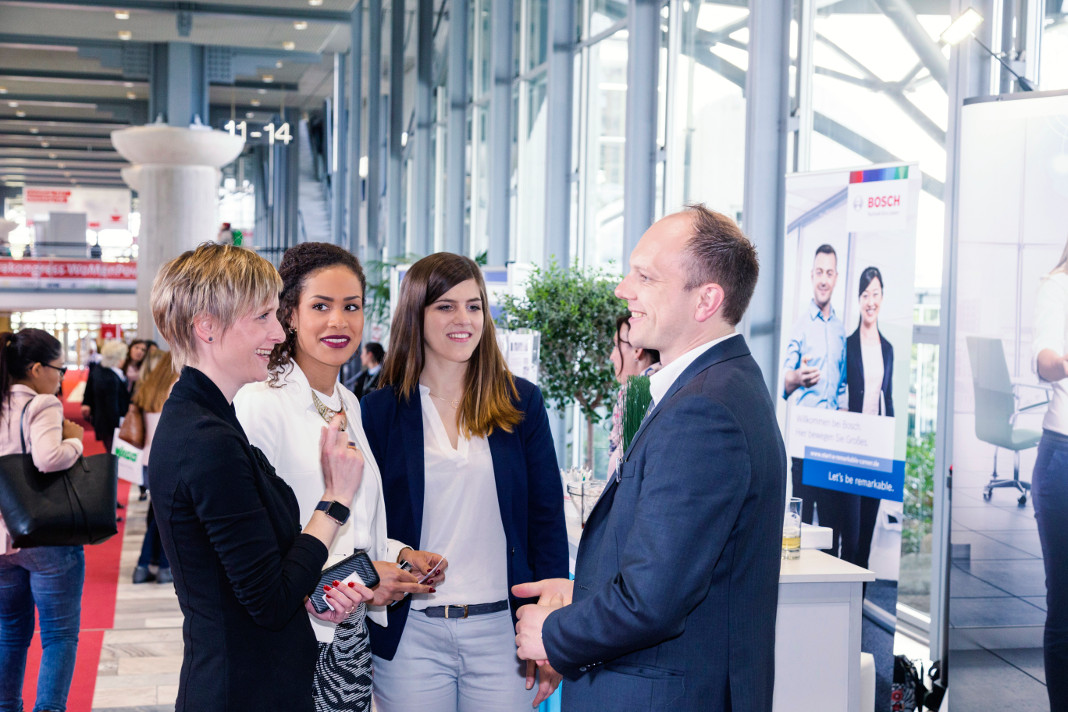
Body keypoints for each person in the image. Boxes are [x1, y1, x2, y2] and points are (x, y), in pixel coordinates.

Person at [513, 205, 788, 712]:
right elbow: (675, 564)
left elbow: (652, 602)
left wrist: (554, 632)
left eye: (645, 276)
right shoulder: (716, 386)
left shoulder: (704, 412)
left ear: (706, 299)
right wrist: (585, 590)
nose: (623, 289)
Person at [148, 242, 373, 711]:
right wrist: (335, 499)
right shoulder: (206, 437)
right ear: (206, 326)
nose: (277, 332)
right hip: (242, 688)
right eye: (263, 317)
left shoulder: (207, 417)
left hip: (251, 678)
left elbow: (260, 571)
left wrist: (313, 589)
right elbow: (269, 602)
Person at [361, 252, 569, 711]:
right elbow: (365, 523)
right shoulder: (379, 411)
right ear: (416, 314)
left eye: (474, 306)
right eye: (446, 306)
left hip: (503, 634)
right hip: (411, 634)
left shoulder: (521, 403)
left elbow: (546, 518)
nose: (464, 319)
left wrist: (553, 633)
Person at [234, 242, 434, 712]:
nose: (338, 322)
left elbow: (352, 526)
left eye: (352, 307)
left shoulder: (350, 401)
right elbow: (255, 550)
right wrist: (363, 576)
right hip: (292, 639)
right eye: (320, 306)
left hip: (348, 635)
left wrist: (395, 554)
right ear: (290, 316)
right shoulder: (260, 403)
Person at [0, 328, 86, 712]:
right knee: (59, 634)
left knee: (10, 632)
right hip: (44, 534)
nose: (61, 376)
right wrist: (76, 440)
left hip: (2, 538)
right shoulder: (42, 404)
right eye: (59, 367)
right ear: (36, 369)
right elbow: (48, 458)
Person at [821, 266, 893, 569]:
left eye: (875, 294)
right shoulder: (847, 344)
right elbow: (834, 389)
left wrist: (892, 452)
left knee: (864, 542)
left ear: (882, 297)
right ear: (859, 299)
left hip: (875, 451)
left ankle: (857, 612)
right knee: (847, 539)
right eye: (865, 294)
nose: (871, 301)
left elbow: (888, 399)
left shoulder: (888, 349)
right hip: (849, 451)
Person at [781, 244, 846, 526]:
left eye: (829, 273)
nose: (823, 279)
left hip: (832, 445)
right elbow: (784, 380)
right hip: (806, 444)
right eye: (819, 272)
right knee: (802, 525)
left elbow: (842, 387)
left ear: (835, 278)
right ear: (811, 275)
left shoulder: (840, 329)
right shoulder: (800, 325)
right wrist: (798, 376)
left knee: (832, 526)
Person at [1031, 240, 1068, 711]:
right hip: (1063, 459)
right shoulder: (1058, 289)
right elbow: (1043, 361)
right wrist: (1063, 362)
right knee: (1065, 603)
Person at [129, 350, 178, 584]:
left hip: (147, 458)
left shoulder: (149, 386)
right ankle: (150, 566)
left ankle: (153, 565)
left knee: (155, 515)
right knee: (164, 517)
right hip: (167, 458)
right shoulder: (177, 386)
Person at [606, 314, 660, 478]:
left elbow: (622, 470)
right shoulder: (665, 384)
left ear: (637, 350)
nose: (612, 356)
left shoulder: (639, 394)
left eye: (616, 346)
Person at [80, 339, 129, 454]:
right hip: (111, 426)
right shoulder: (110, 377)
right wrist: (121, 425)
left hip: (104, 423)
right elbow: (111, 407)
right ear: (118, 358)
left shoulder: (100, 369)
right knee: (115, 455)